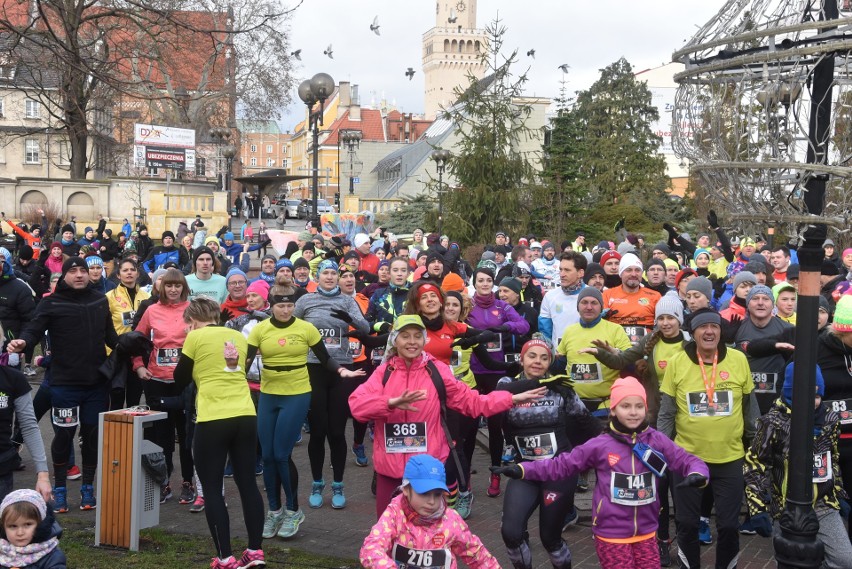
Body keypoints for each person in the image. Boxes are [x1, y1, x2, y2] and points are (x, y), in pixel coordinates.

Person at [493, 376, 709, 569]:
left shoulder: (656, 439)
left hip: (647, 532)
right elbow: (561, 465)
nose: (633, 412)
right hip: (612, 534)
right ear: (613, 409)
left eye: (638, 406)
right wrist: (522, 469)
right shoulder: (600, 445)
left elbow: (686, 459)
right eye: (625, 406)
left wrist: (698, 472)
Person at [349, 315, 545, 518]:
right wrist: (389, 403)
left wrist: (511, 399)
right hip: (390, 471)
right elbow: (356, 406)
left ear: (424, 340)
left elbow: (473, 402)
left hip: (428, 471)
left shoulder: (437, 371)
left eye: (417, 336)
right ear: (394, 340)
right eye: (405, 336)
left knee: (428, 538)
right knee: (389, 536)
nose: (411, 341)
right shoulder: (383, 373)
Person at [247, 284, 363, 539]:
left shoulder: (305, 328)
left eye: (290, 305)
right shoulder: (260, 330)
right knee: (267, 455)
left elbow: (325, 357)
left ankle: (293, 510)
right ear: (272, 305)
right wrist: (230, 364)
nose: (286, 310)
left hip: (297, 394)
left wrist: (342, 371)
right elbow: (244, 363)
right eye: (281, 305)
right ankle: (274, 511)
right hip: (269, 394)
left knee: (281, 454)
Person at [8, 257, 117, 512]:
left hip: (95, 385)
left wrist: (135, 347)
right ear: (64, 275)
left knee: (91, 437)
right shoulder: (51, 302)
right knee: (64, 436)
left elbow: (112, 337)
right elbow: (34, 330)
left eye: (83, 270)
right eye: (73, 271)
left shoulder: (99, 300)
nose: (79, 275)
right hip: (64, 384)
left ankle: (88, 487)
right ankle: (58, 488)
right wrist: (23, 342)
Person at [657, 308, 758, 569]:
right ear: (693, 333)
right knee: (687, 524)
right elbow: (667, 413)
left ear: (721, 331)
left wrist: (756, 447)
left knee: (727, 524)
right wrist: (659, 450)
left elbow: (750, 408)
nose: (709, 331)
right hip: (687, 459)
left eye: (714, 326)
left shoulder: (738, 359)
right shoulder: (678, 362)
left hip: (730, 457)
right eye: (703, 327)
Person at [173, 298, 266, 569]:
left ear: (191, 320)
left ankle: (225, 557)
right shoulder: (237, 336)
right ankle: (255, 551)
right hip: (245, 415)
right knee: (247, 483)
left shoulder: (195, 337)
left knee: (212, 488)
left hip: (213, 417)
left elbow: (180, 378)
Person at [493, 339, 601, 569]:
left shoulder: (560, 387)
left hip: (559, 471)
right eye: (532, 356)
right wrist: (538, 383)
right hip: (525, 471)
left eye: (544, 358)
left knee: (549, 538)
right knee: (511, 533)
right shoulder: (507, 384)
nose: (538, 361)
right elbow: (497, 397)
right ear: (521, 359)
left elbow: (587, 424)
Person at [743, 361, 852, 568]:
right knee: (792, 561)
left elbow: (833, 459)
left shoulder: (829, 419)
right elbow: (754, 464)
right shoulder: (772, 423)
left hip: (823, 504)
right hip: (786, 509)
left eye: (817, 396)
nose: (812, 402)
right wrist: (757, 509)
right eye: (805, 396)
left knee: (845, 560)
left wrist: (838, 492)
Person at [293, 259, 370, 509]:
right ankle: (317, 482)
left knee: (337, 431)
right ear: (317, 276)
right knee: (317, 431)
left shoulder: (348, 300)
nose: (329, 277)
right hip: (314, 368)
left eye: (333, 273)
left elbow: (366, 328)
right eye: (324, 273)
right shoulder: (306, 300)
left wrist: (350, 318)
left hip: (341, 369)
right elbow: (290, 325)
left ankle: (338, 484)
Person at [359, 454, 500, 569]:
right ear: (406, 490)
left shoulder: (451, 520)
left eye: (437, 494)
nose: (432, 501)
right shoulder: (395, 514)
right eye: (424, 493)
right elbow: (371, 549)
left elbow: (478, 555)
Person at [131, 268, 195, 505]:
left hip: (184, 382)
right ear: (161, 287)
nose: (173, 289)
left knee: (187, 434)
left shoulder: (191, 309)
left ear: (183, 287)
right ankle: (164, 480)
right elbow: (136, 340)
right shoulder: (151, 310)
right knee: (162, 436)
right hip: (157, 381)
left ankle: (188, 482)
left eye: (177, 285)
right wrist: (138, 366)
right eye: (169, 285)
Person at [467, 266, 530, 498]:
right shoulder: (467, 305)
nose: (484, 284)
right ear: (474, 282)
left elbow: (523, 326)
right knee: (470, 427)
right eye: (480, 280)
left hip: (495, 371)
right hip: (472, 372)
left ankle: (495, 474)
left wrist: (503, 327)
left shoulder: (501, 306)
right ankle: (465, 478)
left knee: (495, 427)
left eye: (488, 280)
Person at [105, 258, 150, 409]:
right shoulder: (109, 297)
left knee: (134, 398)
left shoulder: (146, 297)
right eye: (125, 270)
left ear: (137, 273)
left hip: (138, 353)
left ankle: (133, 432)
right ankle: (114, 431)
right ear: (118, 275)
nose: (129, 273)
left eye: (132, 270)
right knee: (116, 398)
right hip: (117, 352)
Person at [0, 489, 66, 568]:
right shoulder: (2, 550)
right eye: (13, 526)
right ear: (3, 527)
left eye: (27, 524)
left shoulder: (52, 557)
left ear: (40, 525)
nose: (20, 533)